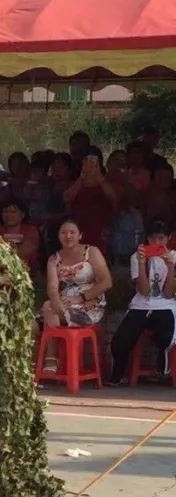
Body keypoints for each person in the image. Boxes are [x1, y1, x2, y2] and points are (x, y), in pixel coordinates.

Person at [39, 218, 112, 372]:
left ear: (80, 235)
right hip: (64, 302)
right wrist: (56, 302)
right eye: (64, 233)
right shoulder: (54, 259)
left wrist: (80, 298)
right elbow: (52, 286)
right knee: (48, 307)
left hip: (90, 303)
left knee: (48, 309)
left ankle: (51, 359)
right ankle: (51, 363)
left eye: (72, 232)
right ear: (58, 236)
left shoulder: (91, 252)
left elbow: (106, 282)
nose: (68, 236)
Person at [107, 220, 176, 384]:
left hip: (165, 306)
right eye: (153, 239)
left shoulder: (174, 257)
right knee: (120, 341)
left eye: (161, 239)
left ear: (169, 238)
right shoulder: (137, 257)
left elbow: (168, 294)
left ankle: (162, 366)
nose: (157, 243)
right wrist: (141, 262)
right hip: (141, 305)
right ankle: (118, 373)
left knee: (166, 335)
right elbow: (144, 291)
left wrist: (171, 268)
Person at [64, 147, 116, 252]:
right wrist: (82, 176)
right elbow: (66, 198)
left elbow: (113, 197)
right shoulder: (75, 183)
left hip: (101, 231)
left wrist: (98, 176)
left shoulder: (107, 182)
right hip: (79, 232)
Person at [0, 198, 40, 270]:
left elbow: (27, 250)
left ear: (23, 214)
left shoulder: (31, 230)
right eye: (6, 211)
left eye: (13, 212)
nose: (9, 215)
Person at [140, 162, 176, 229]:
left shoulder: (173, 197)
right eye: (160, 177)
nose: (163, 180)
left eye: (166, 177)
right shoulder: (144, 196)